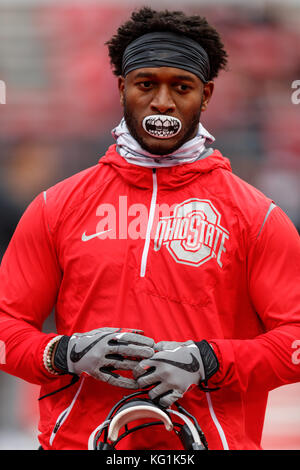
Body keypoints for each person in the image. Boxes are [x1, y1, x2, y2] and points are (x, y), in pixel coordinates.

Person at [0, 7, 299, 451]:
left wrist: (210, 361)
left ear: (207, 93)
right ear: (122, 87)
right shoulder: (55, 207)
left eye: (181, 86)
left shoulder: (257, 217)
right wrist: (64, 353)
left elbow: (294, 340)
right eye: (146, 84)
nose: (163, 102)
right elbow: (7, 326)